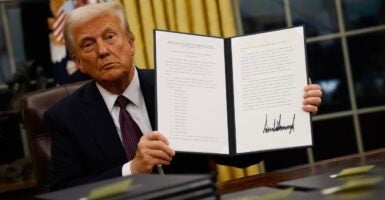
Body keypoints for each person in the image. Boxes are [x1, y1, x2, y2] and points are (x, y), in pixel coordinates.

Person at [44, 1, 322, 191]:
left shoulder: (179, 83)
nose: (103, 51)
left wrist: (291, 112)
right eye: (88, 45)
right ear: (79, 62)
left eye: (110, 37)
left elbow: (235, 155)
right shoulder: (65, 117)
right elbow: (65, 191)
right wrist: (132, 169)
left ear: (130, 44)